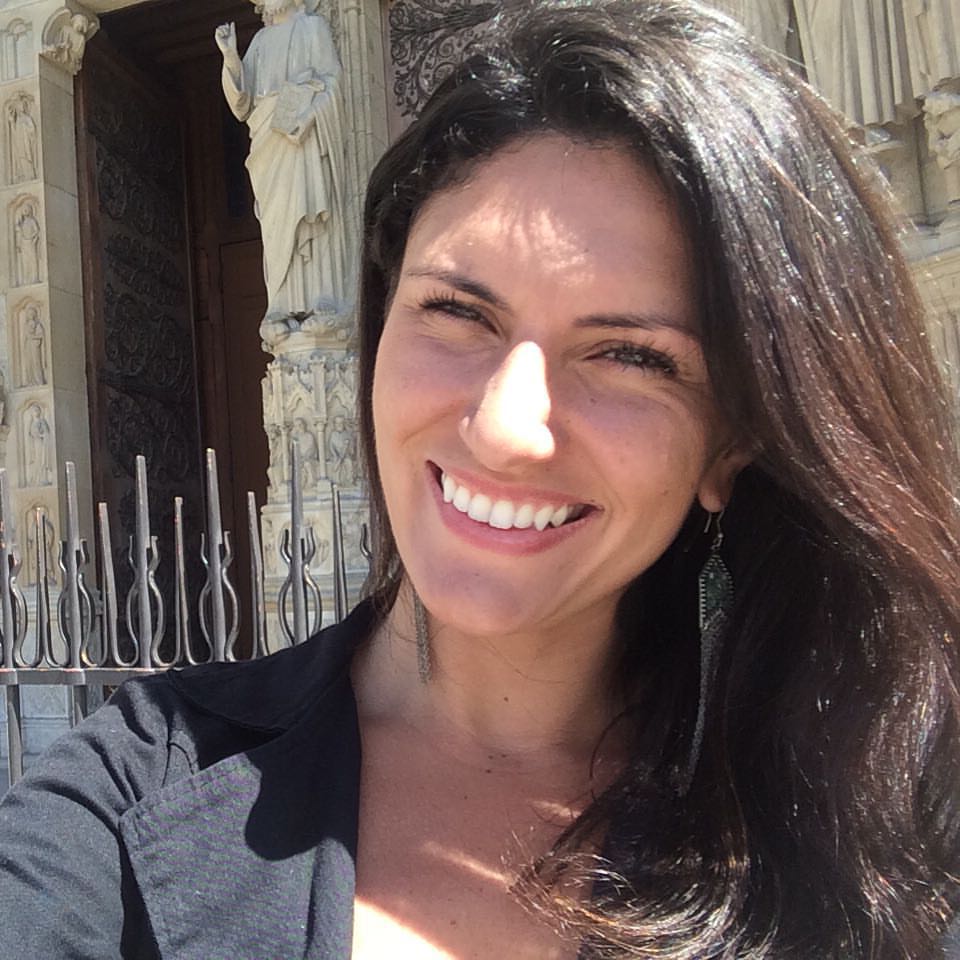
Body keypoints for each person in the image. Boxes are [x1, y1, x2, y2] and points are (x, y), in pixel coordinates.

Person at [1, 2, 959, 958]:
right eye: (458, 310)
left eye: (630, 354)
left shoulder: (885, 841)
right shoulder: (119, 806)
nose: (503, 431)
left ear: (730, 445)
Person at [216, 0, 351, 341]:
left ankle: (322, 302)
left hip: (301, 136)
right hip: (268, 142)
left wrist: (308, 117)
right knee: (276, 225)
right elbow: (242, 104)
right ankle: (279, 306)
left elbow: (333, 81)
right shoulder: (260, 41)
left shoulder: (313, 28)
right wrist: (230, 56)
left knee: (308, 213)